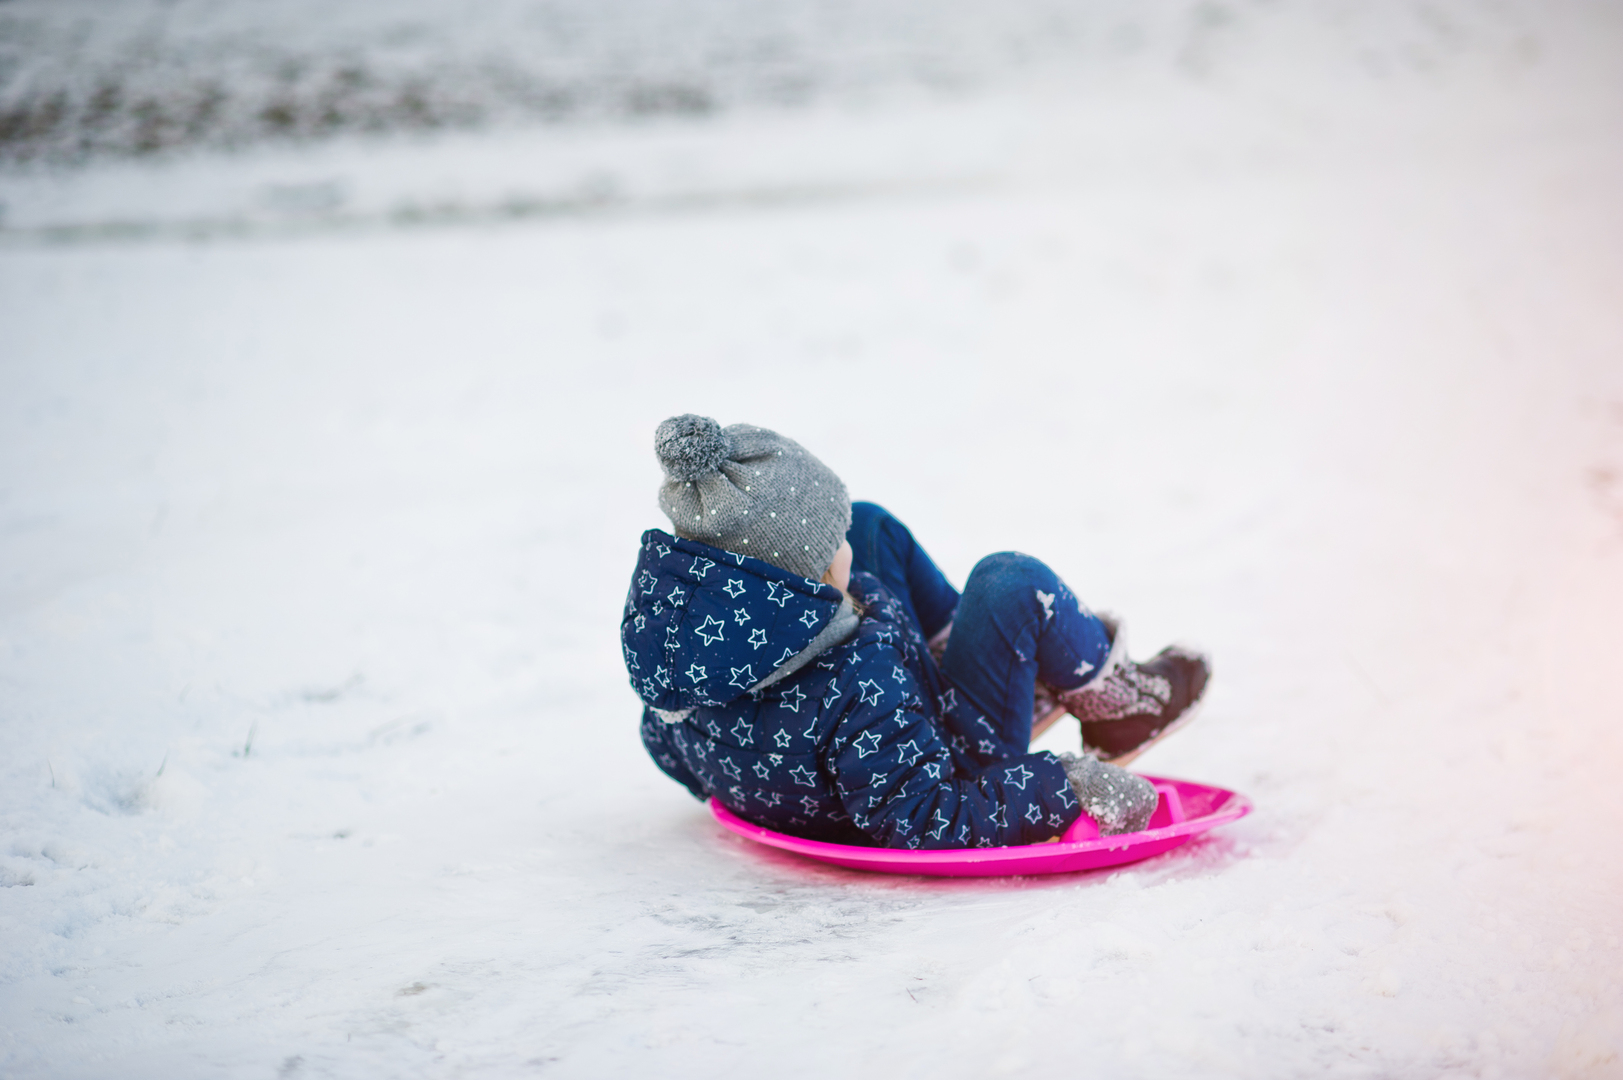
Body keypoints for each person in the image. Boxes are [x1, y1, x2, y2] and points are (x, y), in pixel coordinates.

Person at [623, 415, 1209, 850]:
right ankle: (1120, 705)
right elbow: (928, 814)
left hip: (875, 732)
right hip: (941, 760)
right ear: (816, 574)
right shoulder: (857, 676)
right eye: (835, 539)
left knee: (874, 523)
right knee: (1011, 583)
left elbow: (668, 744)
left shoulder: (684, 665)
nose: (846, 542)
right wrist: (1068, 786)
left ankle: (1001, 675)